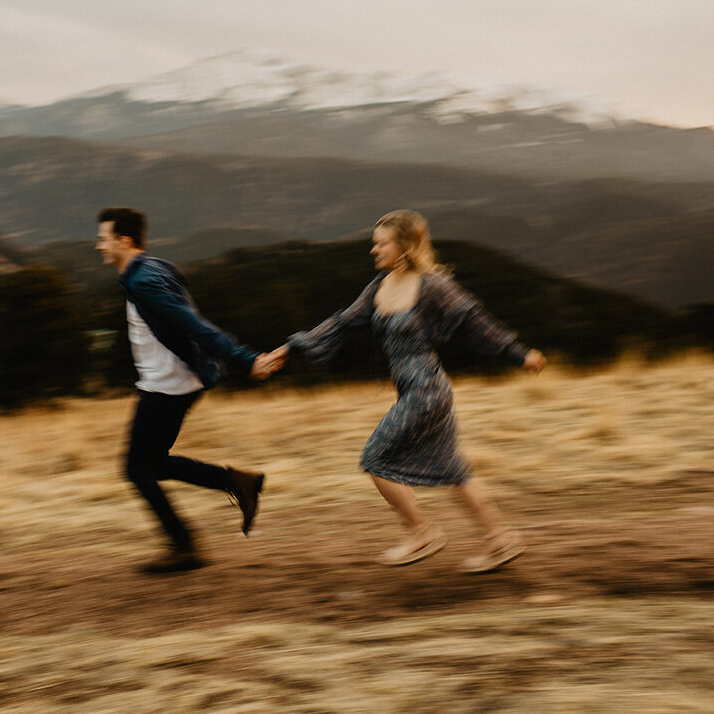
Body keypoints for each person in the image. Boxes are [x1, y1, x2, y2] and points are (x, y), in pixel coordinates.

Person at [275, 209, 546, 572]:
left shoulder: (430, 285)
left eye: (381, 243)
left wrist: (519, 354)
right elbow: (341, 323)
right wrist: (293, 347)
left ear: (404, 245)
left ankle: (421, 531)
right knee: (454, 471)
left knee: (375, 458)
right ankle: (500, 539)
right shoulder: (379, 287)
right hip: (413, 389)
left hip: (427, 389)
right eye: (374, 244)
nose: (374, 250)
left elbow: (475, 323)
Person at [96, 207, 284, 573]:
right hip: (175, 381)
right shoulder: (151, 268)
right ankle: (237, 482)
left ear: (125, 240)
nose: (98, 245)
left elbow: (195, 325)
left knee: (137, 469)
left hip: (168, 385)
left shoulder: (144, 280)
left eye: (103, 239)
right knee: (151, 463)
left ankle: (184, 547)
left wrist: (246, 359)